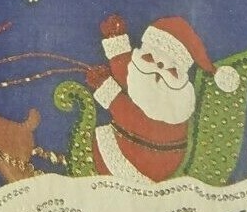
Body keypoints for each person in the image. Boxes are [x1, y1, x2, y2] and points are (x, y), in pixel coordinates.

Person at [86, 13, 238, 183]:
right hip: (122, 144)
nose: (158, 68)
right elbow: (126, 71)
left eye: (171, 70)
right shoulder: (141, 73)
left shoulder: (176, 109)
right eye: (150, 58)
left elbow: (133, 119)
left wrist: (107, 88)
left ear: (181, 76)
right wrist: (115, 38)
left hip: (141, 161)